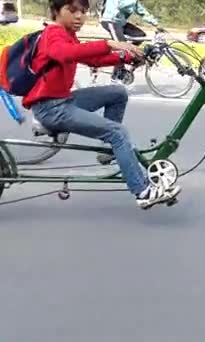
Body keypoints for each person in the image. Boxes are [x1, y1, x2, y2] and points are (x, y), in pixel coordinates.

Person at [22, 0, 180, 209]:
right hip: (52, 108)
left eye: (84, 11)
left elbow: (92, 60)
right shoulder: (53, 33)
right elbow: (64, 54)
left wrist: (127, 57)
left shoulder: (68, 34)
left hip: (63, 99)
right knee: (118, 132)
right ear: (56, 11)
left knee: (117, 93)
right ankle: (143, 191)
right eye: (72, 10)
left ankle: (109, 151)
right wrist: (110, 43)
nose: (79, 16)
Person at [99, 0, 160, 82]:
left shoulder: (134, 2)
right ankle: (116, 76)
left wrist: (156, 23)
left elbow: (142, 12)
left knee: (140, 35)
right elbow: (120, 5)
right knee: (121, 46)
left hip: (121, 23)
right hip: (110, 20)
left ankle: (130, 54)